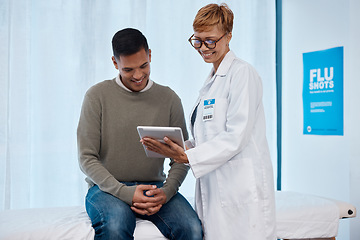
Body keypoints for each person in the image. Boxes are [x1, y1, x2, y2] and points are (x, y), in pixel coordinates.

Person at [141, 3, 276, 240]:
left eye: (210, 40)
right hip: (216, 193)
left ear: (228, 36)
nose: (203, 47)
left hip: (241, 194)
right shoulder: (211, 83)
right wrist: (180, 147)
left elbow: (236, 136)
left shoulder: (242, 74)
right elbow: (208, 138)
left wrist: (188, 156)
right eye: (198, 40)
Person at [77, 28, 203, 240]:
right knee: (116, 225)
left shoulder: (169, 99)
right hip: (106, 189)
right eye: (128, 69)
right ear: (115, 63)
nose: (138, 75)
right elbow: (86, 158)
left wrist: (167, 192)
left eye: (144, 66)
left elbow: (181, 157)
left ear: (150, 55)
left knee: (192, 228)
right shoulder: (97, 96)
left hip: (155, 188)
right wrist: (125, 193)